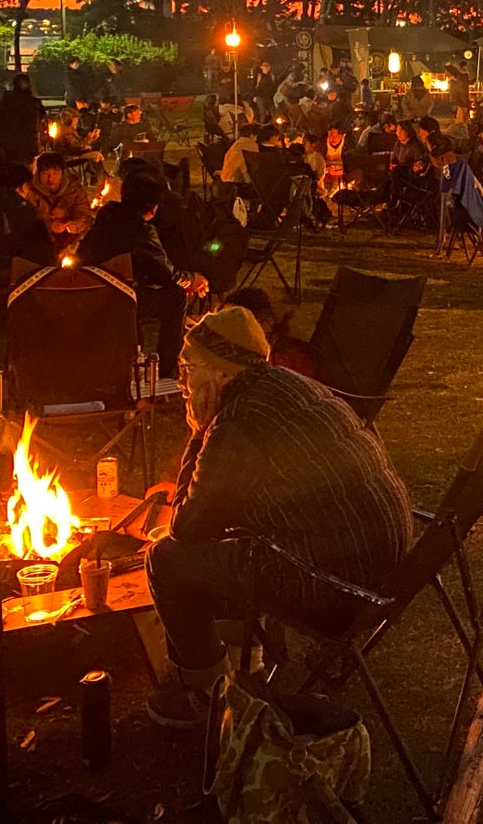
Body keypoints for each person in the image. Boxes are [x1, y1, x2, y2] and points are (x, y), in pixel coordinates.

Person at [144, 308, 413, 729]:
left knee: (166, 558)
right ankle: (239, 648)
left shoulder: (236, 423)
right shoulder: (291, 386)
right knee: (235, 529)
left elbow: (189, 527)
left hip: (336, 589)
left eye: (187, 367)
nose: (181, 381)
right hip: (389, 568)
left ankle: (204, 693)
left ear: (220, 374)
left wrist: (198, 433)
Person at [77, 171, 208, 376]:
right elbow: (166, 274)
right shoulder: (141, 230)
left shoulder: (105, 218)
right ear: (153, 208)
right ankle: (167, 367)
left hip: (91, 291)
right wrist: (192, 280)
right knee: (176, 296)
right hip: (122, 298)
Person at [22, 151, 94, 255]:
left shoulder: (74, 189)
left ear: (63, 173)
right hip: (41, 241)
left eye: (55, 173)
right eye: (45, 173)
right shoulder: (30, 192)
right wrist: (49, 225)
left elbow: (84, 213)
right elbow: (27, 220)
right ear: (38, 174)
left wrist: (77, 225)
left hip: (71, 240)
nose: (50, 178)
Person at [0, 71, 44, 164]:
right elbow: (37, 123)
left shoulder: (7, 99)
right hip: (25, 144)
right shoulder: (33, 103)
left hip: (7, 141)